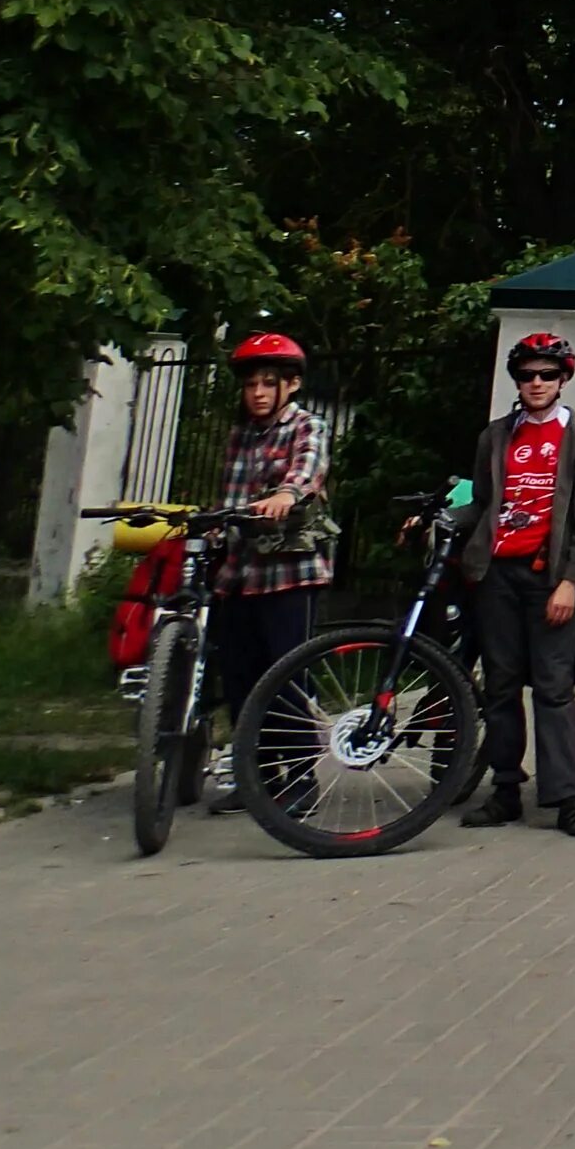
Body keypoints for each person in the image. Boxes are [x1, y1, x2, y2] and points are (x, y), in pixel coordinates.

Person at [457, 332, 575, 836]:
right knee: (500, 685)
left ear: (563, 378)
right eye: (527, 375)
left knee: (554, 687)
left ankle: (566, 796)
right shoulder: (496, 435)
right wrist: (440, 519)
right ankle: (505, 788)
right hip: (497, 574)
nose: (537, 383)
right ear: (516, 381)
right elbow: (483, 504)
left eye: (547, 374)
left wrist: (571, 582)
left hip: (550, 577)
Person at [204, 332, 335, 811]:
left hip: (289, 573)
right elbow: (229, 498)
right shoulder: (240, 435)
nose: (258, 393)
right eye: (250, 384)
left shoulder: (307, 427)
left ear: (292, 385)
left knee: (287, 676)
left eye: (268, 383)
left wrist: (286, 494)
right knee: (240, 677)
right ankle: (253, 777)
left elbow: (306, 472)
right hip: (239, 574)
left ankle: (301, 779)